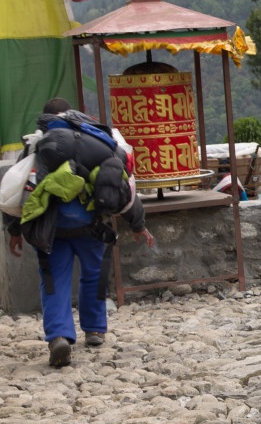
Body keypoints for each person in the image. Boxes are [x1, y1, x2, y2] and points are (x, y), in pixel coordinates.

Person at [4, 97, 155, 368]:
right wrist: (139, 225)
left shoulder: (39, 143)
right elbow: (122, 183)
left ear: (46, 117)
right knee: (94, 277)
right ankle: (95, 329)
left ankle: (59, 336)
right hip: (92, 225)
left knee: (53, 282)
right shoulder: (95, 139)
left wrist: (14, 231)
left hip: (51, 229)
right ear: (72, 114)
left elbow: (19, 187)